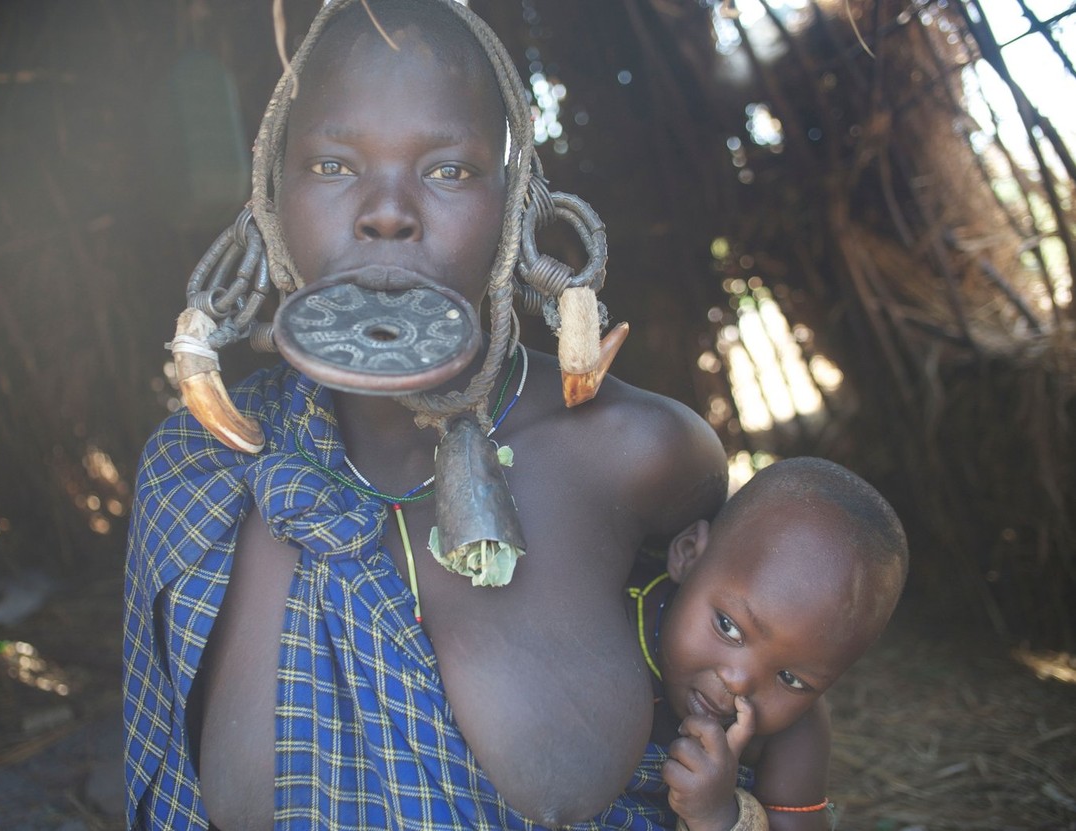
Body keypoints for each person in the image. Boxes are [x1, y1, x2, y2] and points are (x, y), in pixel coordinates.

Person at [123, 1, 728, 829]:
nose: (386, 212)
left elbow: (776, 680)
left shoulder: (645, 453)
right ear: (271, 196)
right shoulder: (198, 475)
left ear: (517, 200)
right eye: (334, 166)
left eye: (448, 170)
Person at [628, 456, 909, 831]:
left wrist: (719, 815)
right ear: (689, 555)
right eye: (729, 628)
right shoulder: (610, 617)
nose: (740, 681)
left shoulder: (795, 732)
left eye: (791, 679)